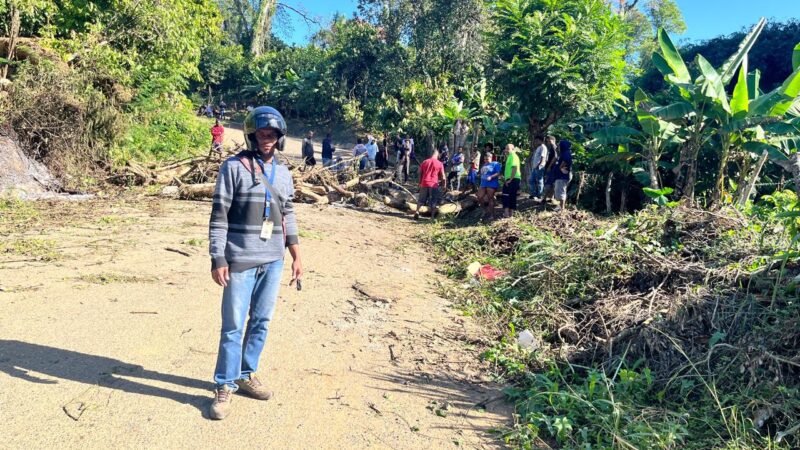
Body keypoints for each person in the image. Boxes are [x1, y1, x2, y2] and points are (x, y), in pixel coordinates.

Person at [208, 105, 303, 420]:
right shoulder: (232, 168)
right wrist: (217, 256)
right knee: (233, 326)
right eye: (262, 133)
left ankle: (247, 374)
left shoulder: (285, 173)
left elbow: (288, 213)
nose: (267, 139)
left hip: (273, 260)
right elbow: (219, 215)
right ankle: (224, 385)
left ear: (279, 137)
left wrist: (296, 255)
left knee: (261, 322)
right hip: (240, 260)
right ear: (252, 135)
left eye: (272, 134)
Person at [414, 149, 446, 220]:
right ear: (437, 155)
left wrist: (420, 182)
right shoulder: (439, 163)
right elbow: (443, 176)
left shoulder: (425, 162)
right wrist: (444, 185)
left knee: (421, 200)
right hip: (433, 184)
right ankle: (432, 217)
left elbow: (419, 173)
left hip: (424, 183)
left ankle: (417, 211)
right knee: (433, 200)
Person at [477, 152, 501, 220]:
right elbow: (482, 173)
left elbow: (498, 173)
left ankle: (492, 215)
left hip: (491, 183)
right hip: (483, 183)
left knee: (490, 198)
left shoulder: (495, 164)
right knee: (479, 196)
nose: (486, 160)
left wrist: (491, 177)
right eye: (484, 159)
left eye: (487, 159)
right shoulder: (484, 164)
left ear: (491, 158)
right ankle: (485, 210)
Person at [501, 144, 522, 218]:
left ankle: (510, 214)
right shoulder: (509, 157)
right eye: (505, 148)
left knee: (511, 195)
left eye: (508, 149)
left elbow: (515, 167)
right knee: (506, 194)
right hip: (510, 179)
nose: (506, 150)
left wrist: (510, 179)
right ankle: (507, 213)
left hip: (514, 179)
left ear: (513, 149)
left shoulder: (513, 156)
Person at [553, 139, 573, 212]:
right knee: (560, 191)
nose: (558, 147)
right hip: (561, 175)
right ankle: (560, 206)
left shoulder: (566, 153)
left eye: (559, 145)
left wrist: (560, 167)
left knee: (561, 191)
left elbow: (565, 160)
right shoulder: (565, 152)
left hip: (562, 176)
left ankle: (562, 208)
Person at [528, 136, 548, 200]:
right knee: (531, 180)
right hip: (535, 167)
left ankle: (540, 195)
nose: (535, 142)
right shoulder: (539, 147)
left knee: (539, 181)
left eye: (537, 141)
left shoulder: (543, 147)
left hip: (539, 167)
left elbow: (543, 158)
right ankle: (534, 194)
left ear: (540, 140)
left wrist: (539, 165)